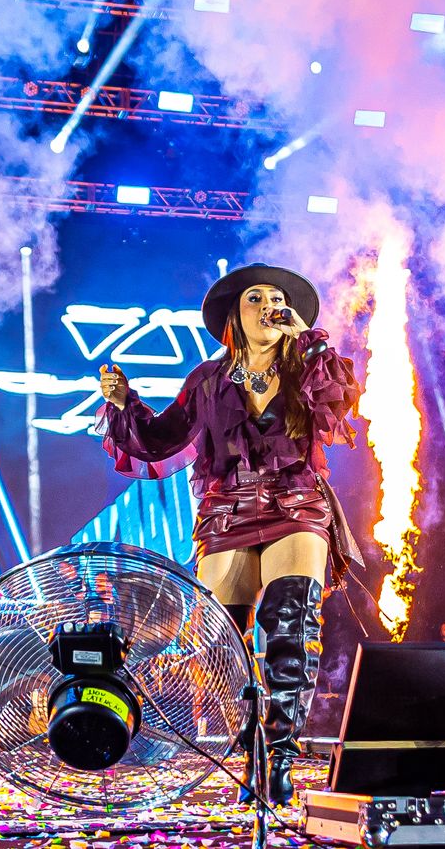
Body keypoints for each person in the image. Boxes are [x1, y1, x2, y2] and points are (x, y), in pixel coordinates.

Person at [96, 262, 369, 806]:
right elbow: (161, 438)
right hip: (228, 509)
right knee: (222, 639)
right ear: (234, 319)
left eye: (276, 298)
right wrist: (125, 404)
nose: (269, 306)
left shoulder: (310, 365)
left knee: (291, 622)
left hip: (297, 501)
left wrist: (309, 342)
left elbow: (340, 403)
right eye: (255, 299)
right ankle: (252, 745)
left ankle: (281, 755)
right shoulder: (207, 380)